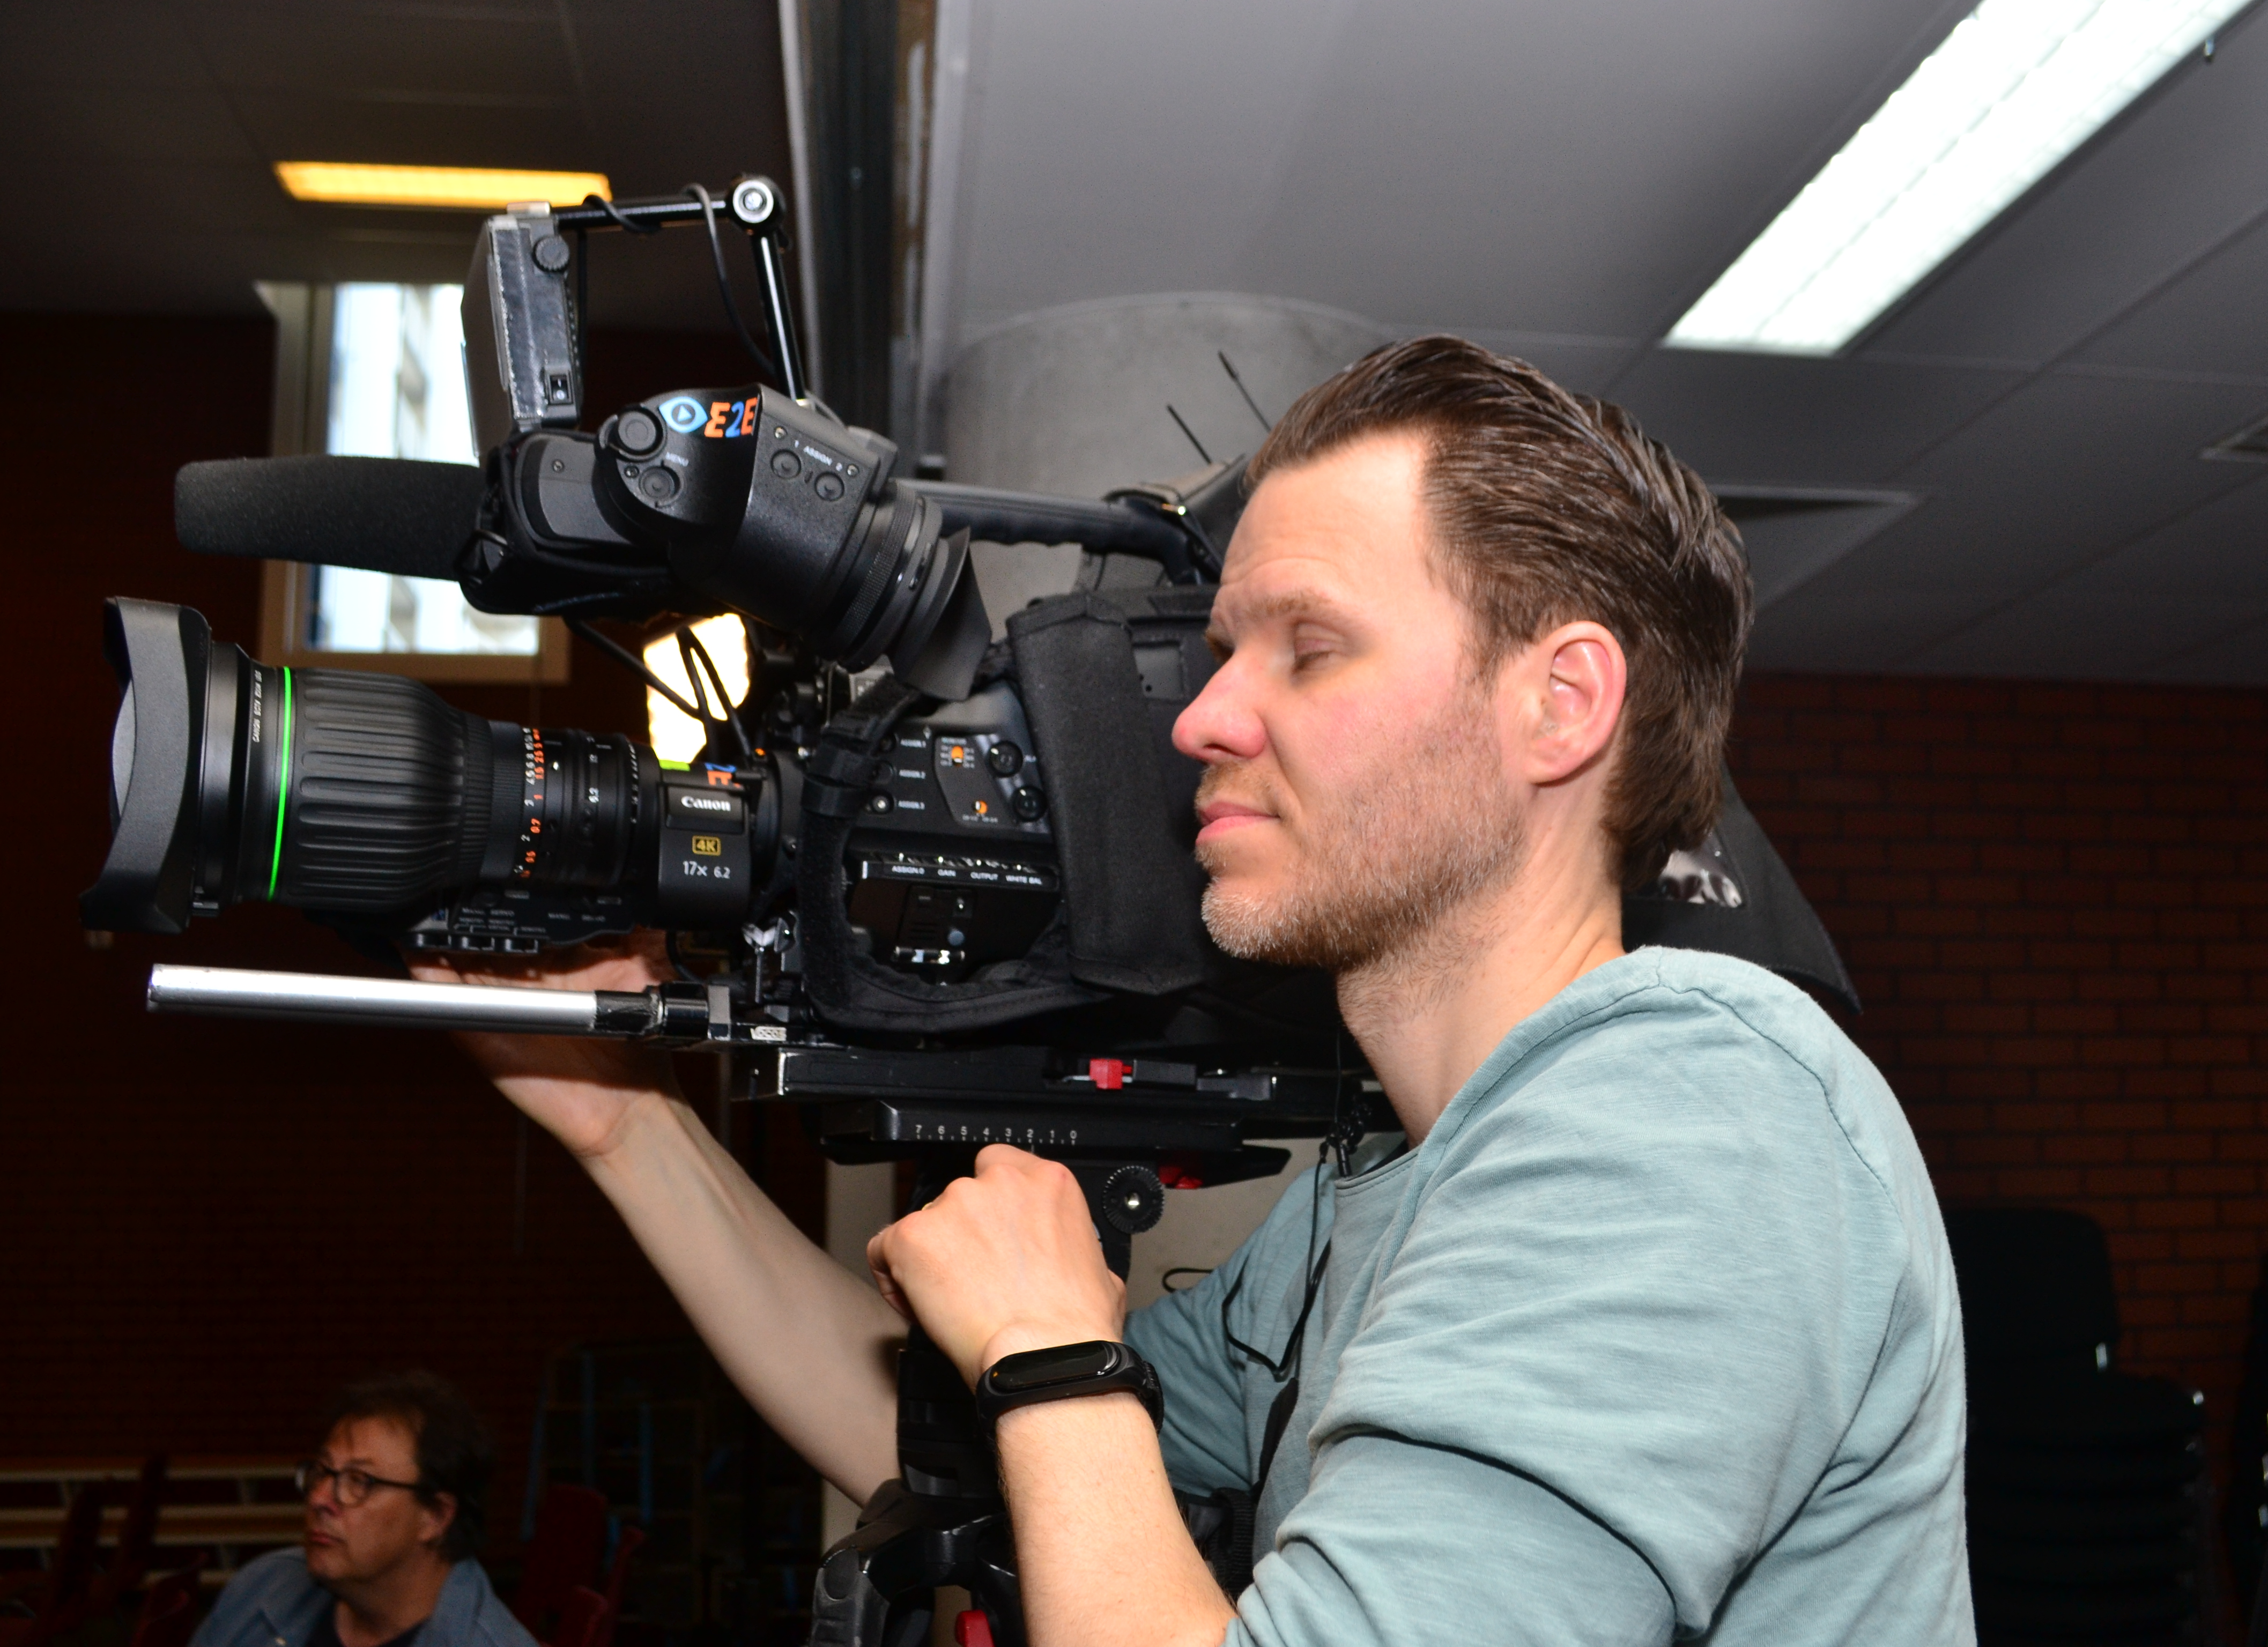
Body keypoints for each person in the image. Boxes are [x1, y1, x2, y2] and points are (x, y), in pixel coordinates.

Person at [423, 337, 1972, 1644]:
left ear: (1559, 703)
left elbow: (1047, 1389)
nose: (1204, 715)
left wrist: (1049, 1349)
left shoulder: (1684, 1116)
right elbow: (968, 1449)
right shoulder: (1385, 1186)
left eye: (1311, 648)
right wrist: (630, 1129)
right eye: (1228, 646)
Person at [195, 1372, 530, 1647]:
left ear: (435, 1517)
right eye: (322, 1472)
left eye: (360, 1482)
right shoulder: (263, 1586)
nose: (319, 1499)